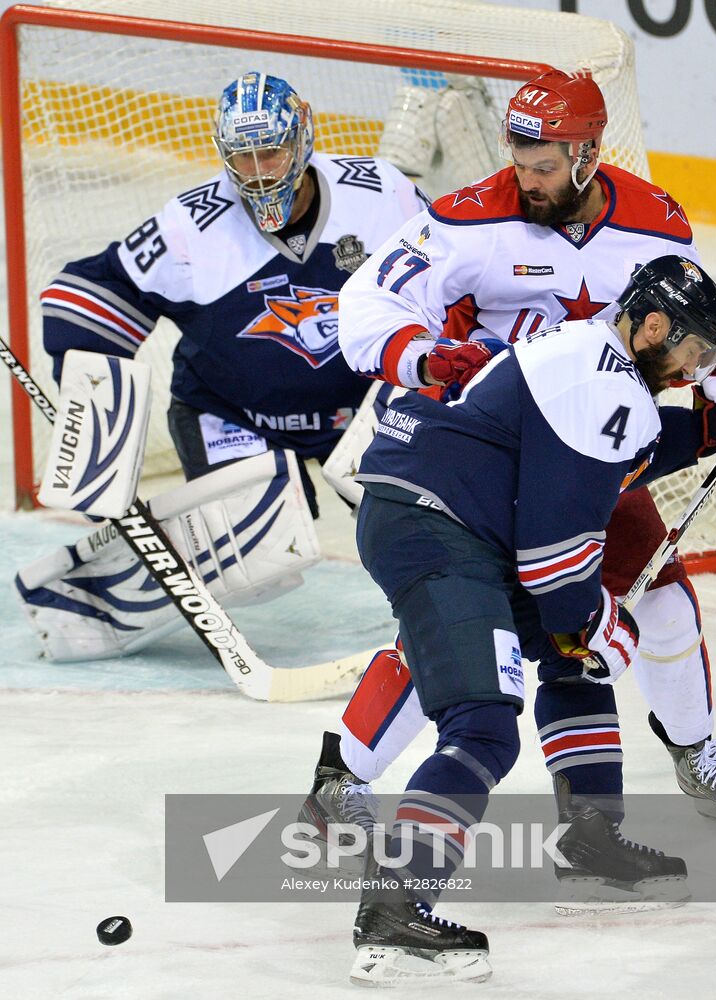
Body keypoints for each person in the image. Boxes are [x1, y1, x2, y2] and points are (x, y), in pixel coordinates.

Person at [302, 67, 716, 867]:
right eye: (518, 158)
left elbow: (678, 328)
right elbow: (367, 306)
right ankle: (341, 778)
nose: (524, 179)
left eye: (543, 165)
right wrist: (430, 358)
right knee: (472, 625)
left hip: (590, 451)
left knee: (653, 606)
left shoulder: (654, 222)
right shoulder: (467, 217)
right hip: (486, 454)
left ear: (587, 155)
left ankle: (684, 761)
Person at [346, 256, 716, 985]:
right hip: (437, 526)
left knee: (574, 658)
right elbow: (555, 567)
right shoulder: (601, 379)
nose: (692, 370)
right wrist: (604, 626)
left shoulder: (595, 357)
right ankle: (395, 909)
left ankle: (592, 842)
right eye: (690, 352)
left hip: (455, 517)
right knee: (483, 724)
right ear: (652, 325)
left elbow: (635, 447)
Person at [17, 71, 428, 661]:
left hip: (361, 409)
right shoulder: (192, 225)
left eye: (272, 150)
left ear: (304, 136)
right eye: (242, 156)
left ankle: (503, 596)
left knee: (420, 513)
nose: (258, 171)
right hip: (233, 416)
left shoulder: (381, 195)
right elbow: (89, 290)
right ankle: (86, 602)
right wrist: (94, 412)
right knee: (260, 561)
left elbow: (451, 282)